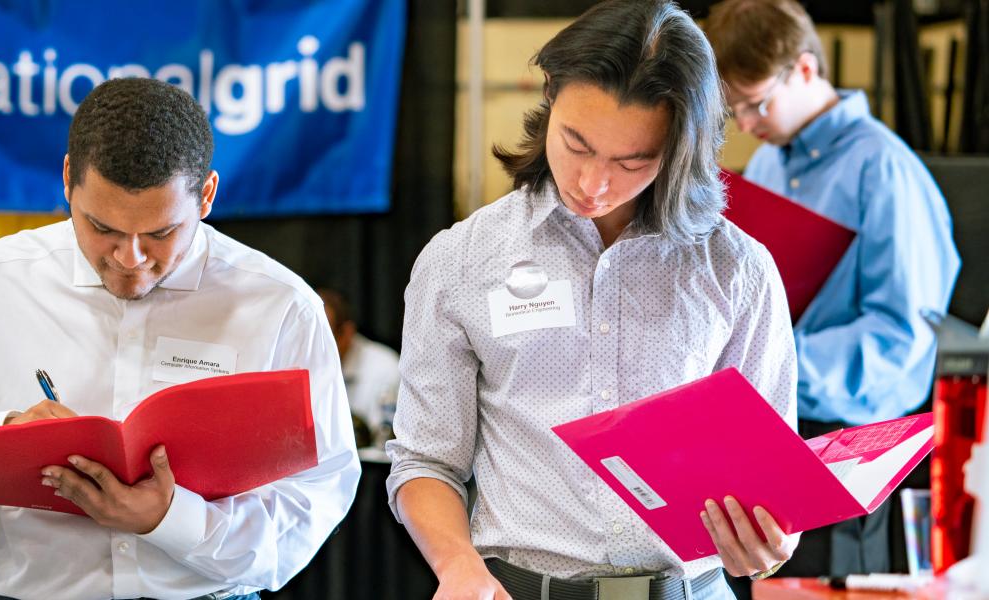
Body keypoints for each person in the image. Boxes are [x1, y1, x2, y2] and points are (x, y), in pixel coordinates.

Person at [0, 77, 360, 600]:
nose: (130, 258)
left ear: (206, 195)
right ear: (69, 180)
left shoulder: (279, 306)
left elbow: (318, 496)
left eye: (161, 234)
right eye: (103, 228)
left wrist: (174, 519)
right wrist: (3, 435)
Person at [385, 1, 801, 599]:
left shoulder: (738, 270)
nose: (593, 184)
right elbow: (426, 460)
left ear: (680, 150)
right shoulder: (461, 260)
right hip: (518, 588)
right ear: (548, 94)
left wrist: (770, 542)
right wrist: (456, 564)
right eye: (576, 145)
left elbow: (769, 480)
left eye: (633, 161)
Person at [704, 0, 960, 578]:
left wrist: (778, 365)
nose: (745, 125)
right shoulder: (769, 163)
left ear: (804, 69)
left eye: (756, 103)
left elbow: (904, 338)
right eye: (733, 111)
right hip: (771, 429)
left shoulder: (886, 171)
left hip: (847, 448)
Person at [318, 288, 400, 448]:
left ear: (347, 333)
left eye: (323, 337)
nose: (312, 347)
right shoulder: (298, 363)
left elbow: (384, 444)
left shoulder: (385, 368)